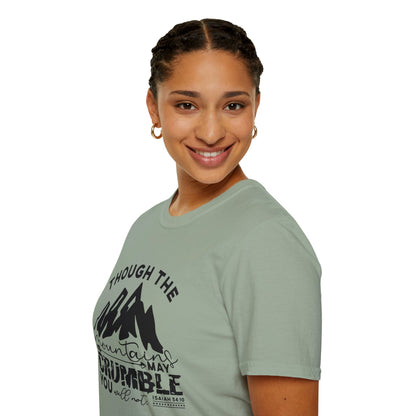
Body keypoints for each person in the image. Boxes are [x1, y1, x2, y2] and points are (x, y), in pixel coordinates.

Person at [93, 18, 322, 416]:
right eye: (187, 105)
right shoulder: (145, 227)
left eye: (233, 105)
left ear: (255, 107)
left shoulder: (267, 242)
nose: (212, 132)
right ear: (154, 107)